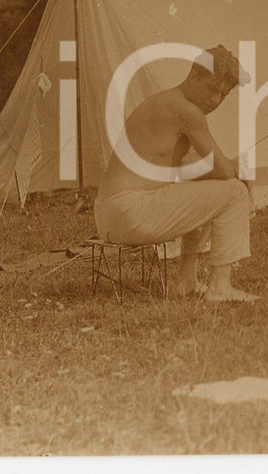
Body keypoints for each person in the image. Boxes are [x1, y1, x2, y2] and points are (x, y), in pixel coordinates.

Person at [94, 45, 258, 301]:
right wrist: (239, 169)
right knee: (235, 192)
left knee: (209, 193)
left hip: (111, 215)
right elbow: (225, 171)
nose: (216, 100)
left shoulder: (164, 102)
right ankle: (220, 288)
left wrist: (225, 171)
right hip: (130, 210)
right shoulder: (186, 111)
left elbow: (195, 174)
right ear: (194, 76)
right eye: (212, 89)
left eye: (223, 95)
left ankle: (186, 281)